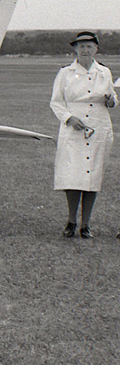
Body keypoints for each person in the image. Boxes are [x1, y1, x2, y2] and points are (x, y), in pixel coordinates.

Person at [50, 32, 116, 239]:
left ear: (96, 49)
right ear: (75, 49)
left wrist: (110, 101)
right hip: (74, 128)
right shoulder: (65, 73)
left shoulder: (104, 72)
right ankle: (71, 221)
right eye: (81, 46)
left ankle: (85, 225)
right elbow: (56, 102)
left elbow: (112, 98)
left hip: (98, 127)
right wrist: (69, 118)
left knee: (92, 177)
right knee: (72, 176)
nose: (85, 50)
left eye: (89, 46)